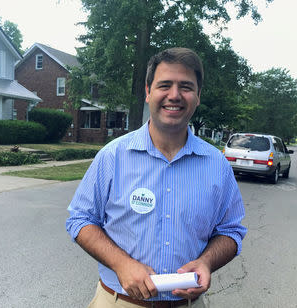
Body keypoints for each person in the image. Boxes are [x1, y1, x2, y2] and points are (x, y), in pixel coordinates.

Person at [66, 47, 247, 308]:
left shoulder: (217, 164)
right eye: (165, 85)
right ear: (148, 91)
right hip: (119, 302)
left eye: (186, 86)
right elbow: (80, 219)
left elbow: (231, 230)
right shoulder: (113, 156)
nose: (174, 95)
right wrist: (122, 264)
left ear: (197, 96)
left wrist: (206, 262)